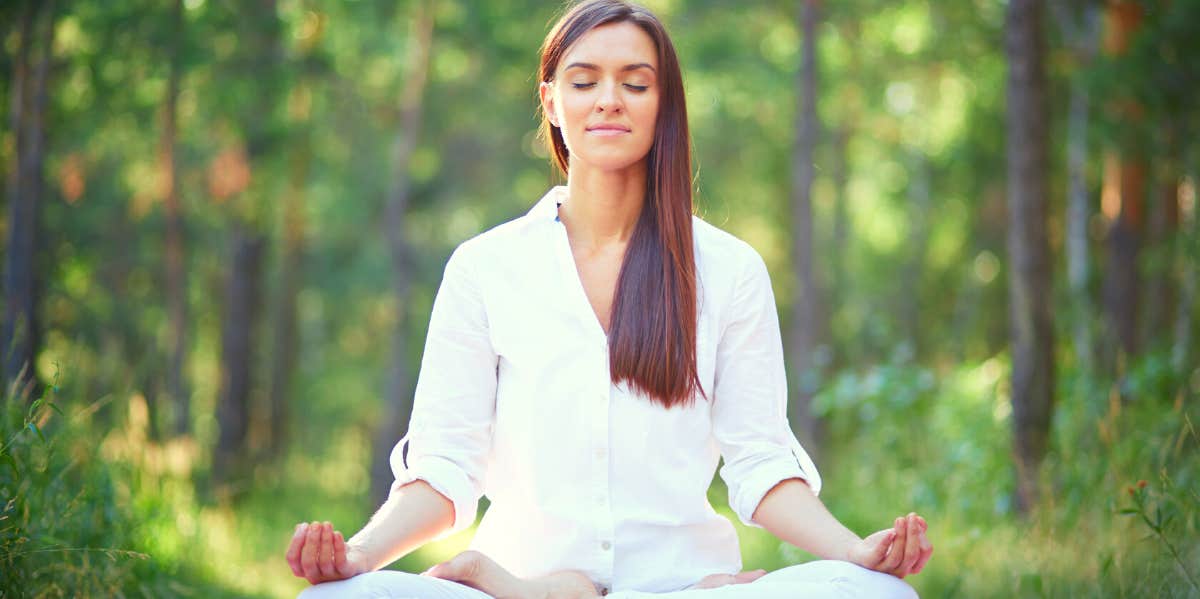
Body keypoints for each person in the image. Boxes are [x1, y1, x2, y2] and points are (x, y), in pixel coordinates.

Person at [286, 1, 932, 597]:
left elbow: (760, 462)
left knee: (878, 593)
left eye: (636, 82)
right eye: (584, 80)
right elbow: (446, 467)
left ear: (664, 103)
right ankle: (549, 587)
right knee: (340, 597)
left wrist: (856, 549)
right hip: (516, 580)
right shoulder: (486, 268)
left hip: (685, 584)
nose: (609, 101)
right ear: (551, 100)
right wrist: (358, 556)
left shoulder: (729, 270)